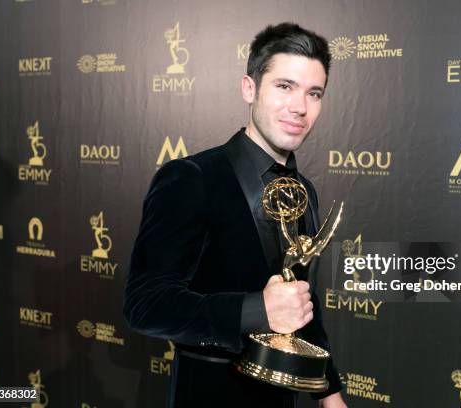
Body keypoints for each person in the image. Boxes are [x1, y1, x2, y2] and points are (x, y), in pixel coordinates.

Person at [124, 22, 347, 408]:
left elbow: (300, 305)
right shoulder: (192, 178)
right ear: (249, 88)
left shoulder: (304, 192)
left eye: (314, 93)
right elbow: (145, 305)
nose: (300, 107)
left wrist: (330, 395)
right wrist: (257, 310)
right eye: (284, 86)